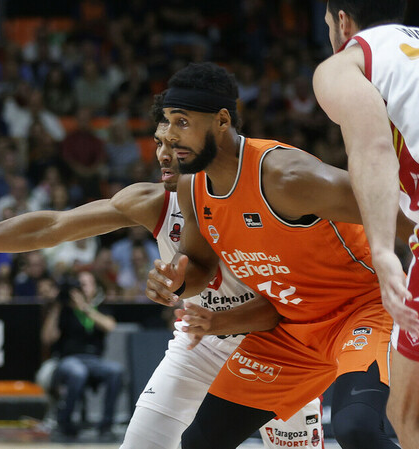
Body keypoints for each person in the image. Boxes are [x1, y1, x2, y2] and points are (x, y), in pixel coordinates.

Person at [0, 94, 323, 449]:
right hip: (201, 344)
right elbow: (52, 225)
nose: (164, 155)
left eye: (176, 145)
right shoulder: (155, 201)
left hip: (277, 345)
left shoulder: (262, 198)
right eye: (158, 143)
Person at [145, 62, 414, 449]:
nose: (170, 135)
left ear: (222, 121)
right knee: (200, 441)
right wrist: (176, 280)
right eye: (168, 122)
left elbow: (403, 217)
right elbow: (199, 264)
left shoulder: (287, 176)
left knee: (357, 430)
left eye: (182, 122)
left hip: (361, 311)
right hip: (289, 329)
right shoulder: (192, 187)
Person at [312, 1, 419, 446]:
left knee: (407, 413)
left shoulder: (345, 63)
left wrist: (381, 251)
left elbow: (372, 146)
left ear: (341, 21)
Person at [46, 270, 123, 441]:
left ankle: (106, 426)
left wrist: (85, 308)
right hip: (68, 360)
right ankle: (64, 423)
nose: (83, 287)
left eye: (87, 283)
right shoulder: (65, 309)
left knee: (116, 370)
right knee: (77, 372)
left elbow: (110, 326)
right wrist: (57, 306)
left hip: (95, 360)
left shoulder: (100, 307)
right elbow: (47, 338)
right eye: (80, 284)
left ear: (95, 287)